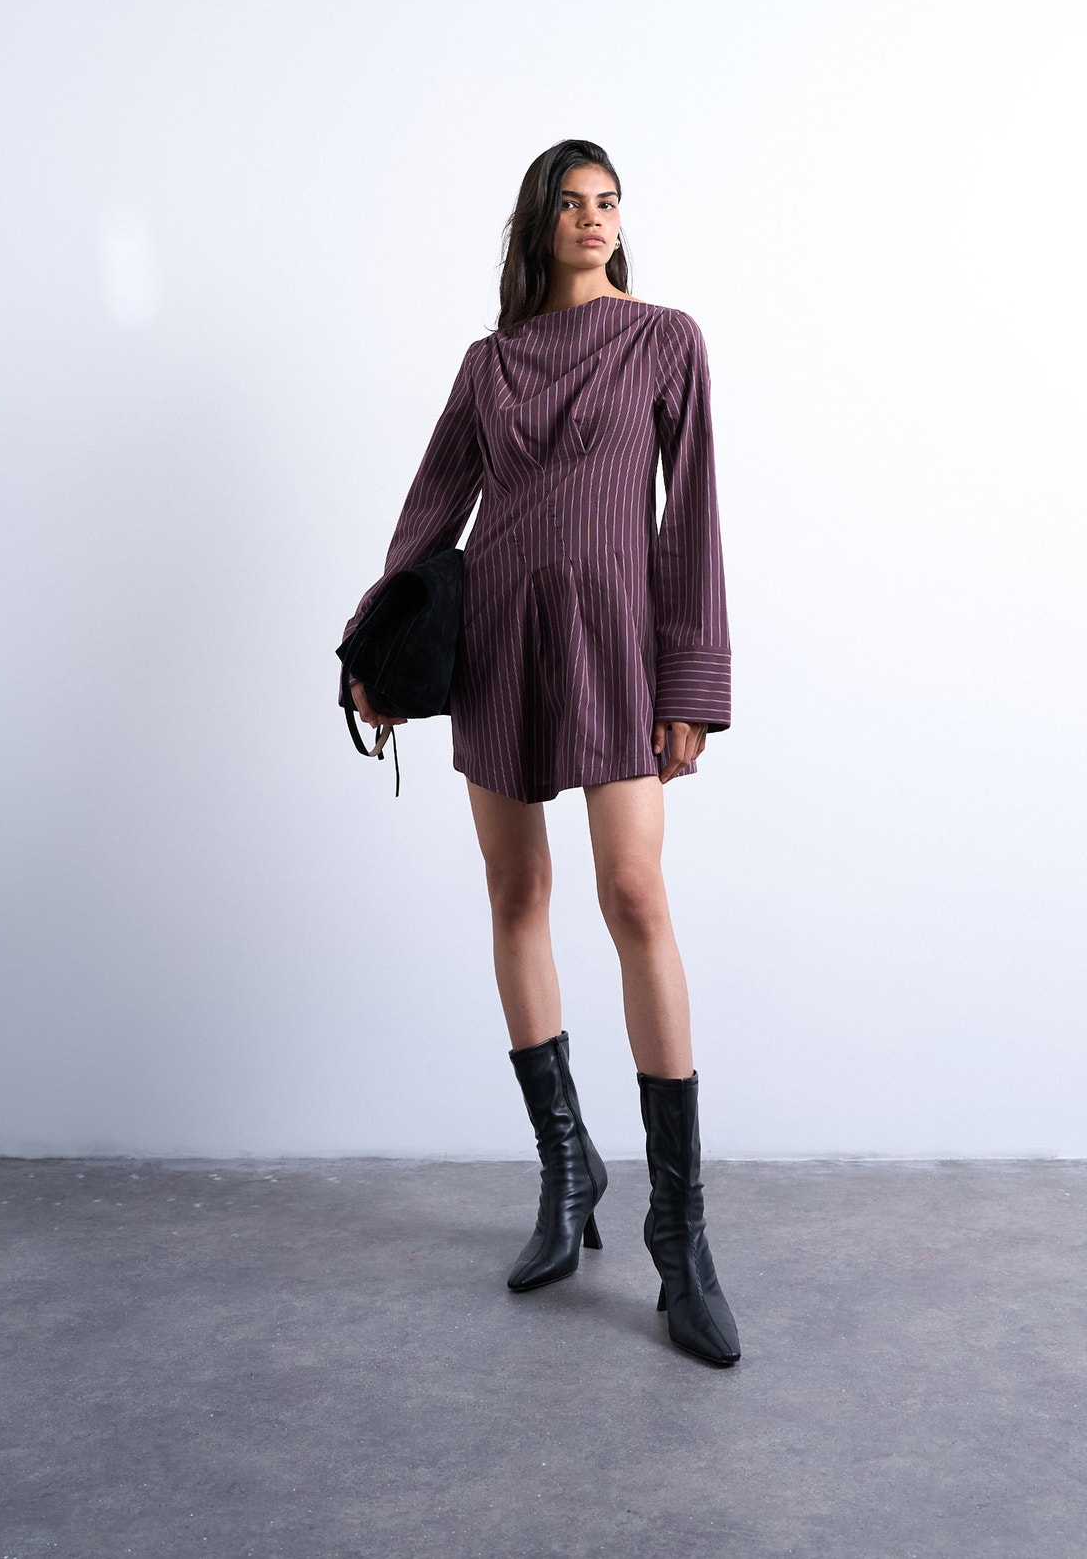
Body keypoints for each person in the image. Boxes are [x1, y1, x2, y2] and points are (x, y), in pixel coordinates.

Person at [339, 138, 740, 1366]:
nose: (591, 218)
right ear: (537, 224)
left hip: (616, 642)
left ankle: (680, 1237)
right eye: (569, 203)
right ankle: (566, 1169)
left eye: (607, 202)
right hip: (500, 642)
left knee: (634, 894)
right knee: (516, 893)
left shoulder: (664, 339)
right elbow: (430, 512)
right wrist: (375, 652)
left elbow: (690, 518)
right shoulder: (491, 365)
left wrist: (688, 679)